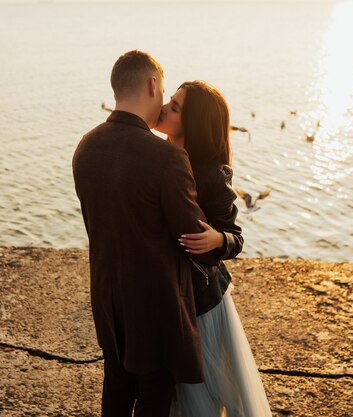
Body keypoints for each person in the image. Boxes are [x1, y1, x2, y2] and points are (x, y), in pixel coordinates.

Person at [72, 51, 221, 417]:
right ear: (152, 85)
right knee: (154, 400)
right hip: (154, 309)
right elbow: (195, 241)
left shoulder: (85, 146)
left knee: (116, 388)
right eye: (165, 90)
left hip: (107, 298)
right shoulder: (166, 158)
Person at [156, 81, 272, 417]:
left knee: (202, 399)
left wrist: (218, 240)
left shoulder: (210, 174)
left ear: (194, 124)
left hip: (203, 305)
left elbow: (235, 236)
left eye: (175, 107)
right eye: (170, 100)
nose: (164, 107)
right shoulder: (157, 155)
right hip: (170, 298)